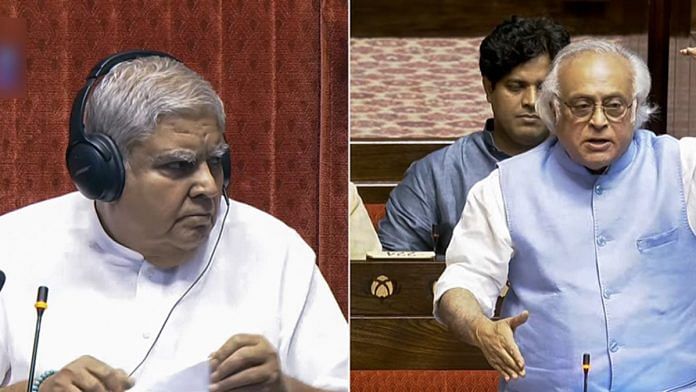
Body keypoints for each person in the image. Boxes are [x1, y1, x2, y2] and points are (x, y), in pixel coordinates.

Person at [0, 52, 347, 391]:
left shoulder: (275, 250)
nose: (210, 187)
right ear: (103, 173)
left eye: (215, 162)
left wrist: (283, 388)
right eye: (178, 166)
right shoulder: (13, 248)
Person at [435, 40, 696, 391]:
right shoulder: (503, 187)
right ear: (555, 110)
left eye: (615, 106)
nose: (599, 121)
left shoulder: (682, 167)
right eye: (582, 105)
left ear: (634, 110)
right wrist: (480, 328)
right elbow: (462, 283)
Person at [377, 16, 570, 255]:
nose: (531, 101)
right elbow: (395, 272)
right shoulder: (436, 175)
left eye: (542, 88)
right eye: (516, 86)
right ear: (489, 88)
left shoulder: (585, 163)